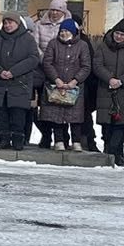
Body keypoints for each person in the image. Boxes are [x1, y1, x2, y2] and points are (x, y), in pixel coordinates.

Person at [0, 10, 41, 150]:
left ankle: (18, 140)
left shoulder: (28, 39)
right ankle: (3, 139)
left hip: (20, 83)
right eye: (6, 23)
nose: (8, 25)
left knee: (18, 114)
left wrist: (13, 72)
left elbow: (33, 59)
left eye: (11, 22)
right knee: (1, 114)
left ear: (18, 23)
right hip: (0, 84)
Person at [38, 17, 91, 151]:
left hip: (75, 87)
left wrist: (75, 81)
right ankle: (59, 140)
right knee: (57, 114)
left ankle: (76, 141)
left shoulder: (82, 45)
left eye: (67, 31)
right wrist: (56, 79)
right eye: (62, 31)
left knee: (75, 116)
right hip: (57, 85)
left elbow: (86, 66)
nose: (63, 34)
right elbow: (47, 63)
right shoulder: (53, 44)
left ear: (73, 32)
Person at [91, 20, 124, 162]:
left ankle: (115, 152)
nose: (119, 37)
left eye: (122, 35)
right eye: (117, 33)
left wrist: (122, 81)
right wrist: (109, 78)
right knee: (107, 124)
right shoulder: (103, 46)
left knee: (121, 124)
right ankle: (109, 151)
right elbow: (97, 65)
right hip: (106, 90)